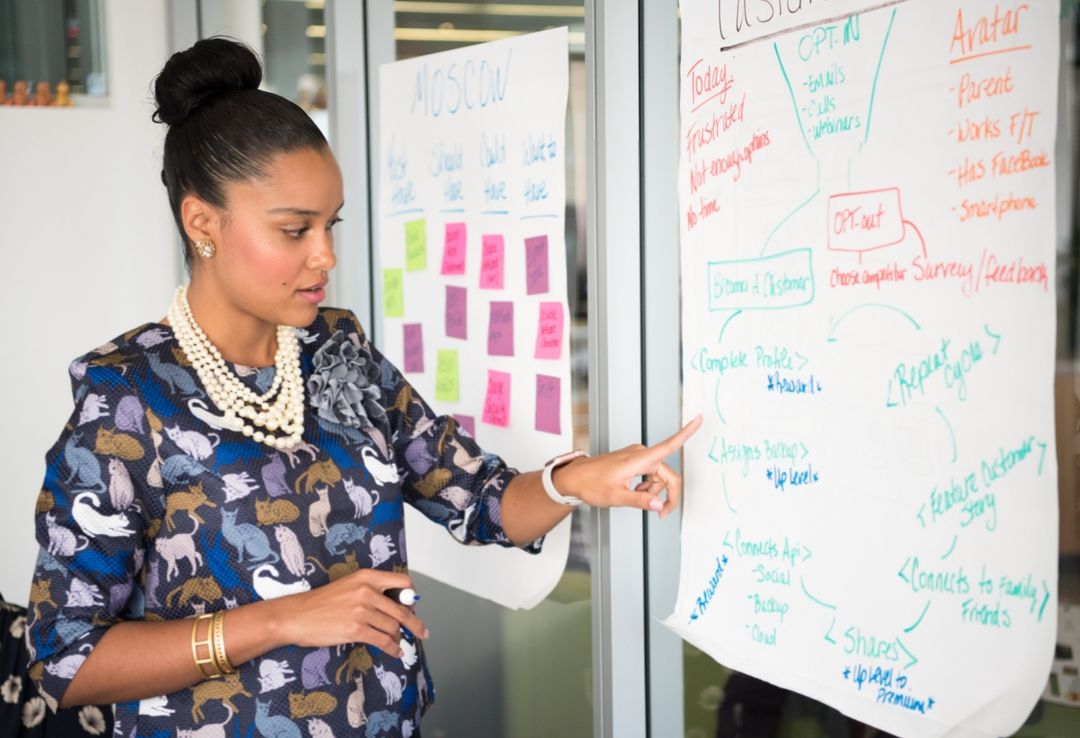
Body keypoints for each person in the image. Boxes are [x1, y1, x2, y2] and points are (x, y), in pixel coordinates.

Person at [24, 37, 702, 737]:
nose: (325, 256)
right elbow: (65, 661)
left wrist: (581, 480)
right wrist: (281, 618)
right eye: (294, 230)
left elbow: (481, 502)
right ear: (203, 224)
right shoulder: (126, 398)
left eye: (330, 225)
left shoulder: (338, 350)